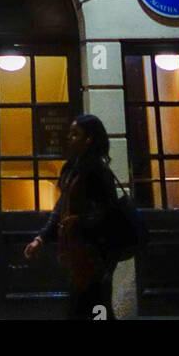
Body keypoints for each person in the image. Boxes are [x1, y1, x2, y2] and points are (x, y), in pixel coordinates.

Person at [24, 113, 119, 320]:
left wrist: (79, 222)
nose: (69, 138)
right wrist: (41, 238)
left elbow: (107, 214)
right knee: (90, 309)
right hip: (77, 256)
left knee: (94, 310)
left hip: (93, 257)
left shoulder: (98, 172)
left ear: (89, 139)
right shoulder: (74, 169)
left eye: (75, 134)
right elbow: (61, 207)